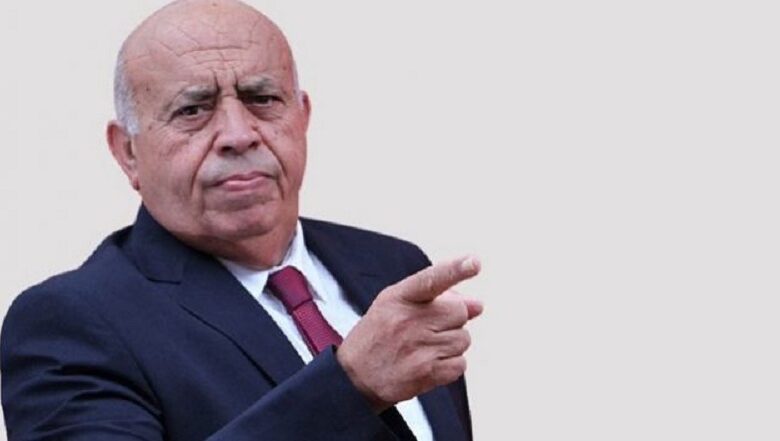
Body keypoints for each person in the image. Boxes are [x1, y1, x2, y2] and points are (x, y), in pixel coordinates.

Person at [0, 0, 483, 439]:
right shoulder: (70, 323)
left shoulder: (390, 267)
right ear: (127, 151)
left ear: (302, 116)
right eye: (193, 109)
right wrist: (350, 384)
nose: (238, 134)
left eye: (262, 99)